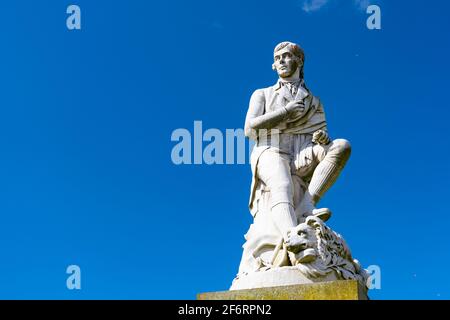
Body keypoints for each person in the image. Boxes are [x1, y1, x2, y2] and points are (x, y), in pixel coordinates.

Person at [237, 41, 351, 273]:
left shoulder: (314, 101)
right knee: (282, 184)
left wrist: (321, 139)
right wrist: (286, 113)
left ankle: (306, 208)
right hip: (271, 148)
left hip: (302, 151)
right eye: (277, 58)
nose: (281, 61)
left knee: (341, 146)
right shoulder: (262, 94)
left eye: (286, 56)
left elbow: (322, 135)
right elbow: (250, 129)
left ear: (299, 61)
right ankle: (294, 242)